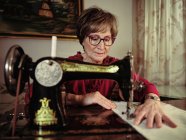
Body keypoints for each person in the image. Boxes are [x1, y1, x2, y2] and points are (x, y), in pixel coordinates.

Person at [62, 6, 177, 129]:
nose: (102, 46)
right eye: (94, 38)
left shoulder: (116, 66)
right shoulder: (68, 66)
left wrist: (152, 100)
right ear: (82, 39)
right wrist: (79, 99)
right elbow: (46, 95)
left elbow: (146, 85)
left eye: (107, 39)